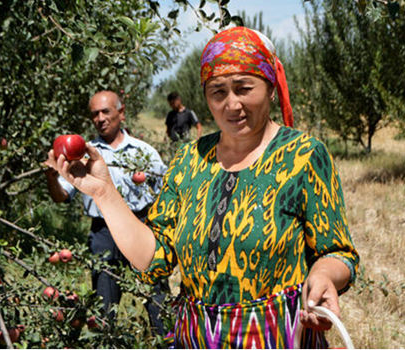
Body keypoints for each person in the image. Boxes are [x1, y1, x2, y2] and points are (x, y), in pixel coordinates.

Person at [48, 28, 359, 349]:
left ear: (269, 87)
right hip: (197, 339)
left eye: (244, 88)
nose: (231, 104)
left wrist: (323, 275)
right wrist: (104, 193)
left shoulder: (303, 155)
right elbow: (154, 256)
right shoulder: (189, 161)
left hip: (280, 338)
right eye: (218, 92)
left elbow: (337, 252)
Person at [44, 90, 168, 336]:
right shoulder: (80, 156)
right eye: (94, 114)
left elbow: (165, 192)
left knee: (158, 300)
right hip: (103, 234)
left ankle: (168, 341)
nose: (100, 118)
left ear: (121, 113)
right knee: (104, 304)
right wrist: (51, 176)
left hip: (142, 225)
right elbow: (62, 196)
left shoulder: (143, 152)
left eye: (106, 112)